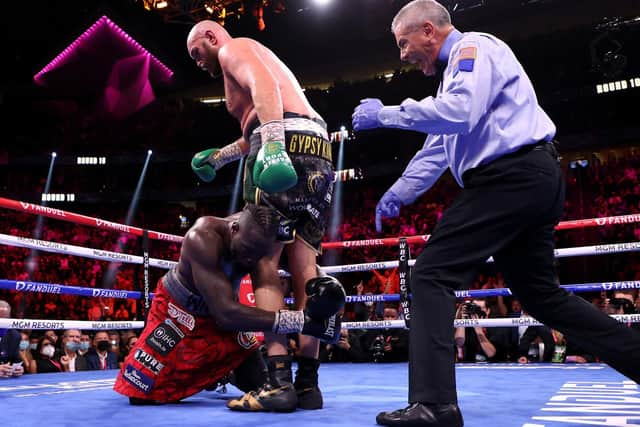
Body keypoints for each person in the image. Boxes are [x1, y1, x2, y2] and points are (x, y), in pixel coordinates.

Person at [351, 1, 640, 425]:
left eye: (403, 43)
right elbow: (437, 148)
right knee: (541, 296)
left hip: (512, 177)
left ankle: (435, 405)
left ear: (429, 30)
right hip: (526, 179)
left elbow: (459, 112)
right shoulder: (452, 80)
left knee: (430, 273)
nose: (402, 55)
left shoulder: (473, 48)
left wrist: (385, 115)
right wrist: (398, 192)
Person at [186, 20, 335, 411]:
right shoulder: (258, 59)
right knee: (305, 268)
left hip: (282, 142)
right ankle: (308, 385)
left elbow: (264, 90)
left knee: (262, 259)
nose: (197, 61)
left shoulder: (235, 49)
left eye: (196, 51)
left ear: (211, 37)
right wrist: (219, 159)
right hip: (316, 149)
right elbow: (257, 120)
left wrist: (271, 147)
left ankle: (278, 384)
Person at [113, 205, 343, 407]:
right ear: (234, 228)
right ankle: (214, 372)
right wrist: (303, 321)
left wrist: (328, 292)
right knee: (141, 392)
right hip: (179, 312)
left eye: (257, 255)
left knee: (264, 384)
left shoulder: (261, 241)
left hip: (223, 318)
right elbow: (225, 314)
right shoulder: (202, 238)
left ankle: (224, 372)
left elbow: (300, 269)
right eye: (245, 250)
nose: (248, 259)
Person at [0, 300, 25, 378]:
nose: (2, 322)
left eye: (5, 318)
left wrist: (18, 369)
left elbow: (15, 360)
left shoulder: (14, 336)